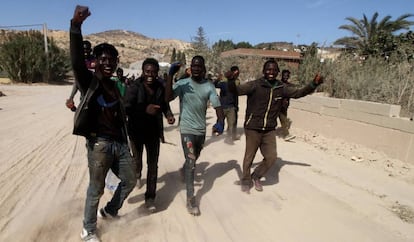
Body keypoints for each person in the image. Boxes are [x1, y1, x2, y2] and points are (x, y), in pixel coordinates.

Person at [70, 5, 137, 242]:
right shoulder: (90, 81)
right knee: (96, 188)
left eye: (112, 59)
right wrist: (75, 27)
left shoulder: (116, 86)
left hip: (119, 144)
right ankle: (88, 230)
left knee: (131, 179)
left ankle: (109, 210)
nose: (108, 63)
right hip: (99, 144)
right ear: (96, 61)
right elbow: (77, 62)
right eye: (103, 59)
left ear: (117, 62)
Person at [229, 58, 323, 193]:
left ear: (278, 72)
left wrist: (313, 84)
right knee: (249, 156)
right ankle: (245, 180)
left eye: (274, 70)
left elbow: (298, 93)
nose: (271, 72)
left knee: (271, 157)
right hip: (253, 127)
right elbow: (236, 91)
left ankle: (256, 176)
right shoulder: (255, 85)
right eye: (268, 69)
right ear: (263, 71)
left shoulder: (281, 88)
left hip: (269, 129)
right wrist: (231, 80)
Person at [165, 56, 225, 216]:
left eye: (199, 66)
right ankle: (191, 199)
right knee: (192, 163)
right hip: (186, 128)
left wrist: (221, 121)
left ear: (204, 69)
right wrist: (170, 76)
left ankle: (183, 170)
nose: (196, 68)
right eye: (194, 66)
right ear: (191, 68)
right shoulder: (183, 84)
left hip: (200, 130)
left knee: (194, 158)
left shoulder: (209, 86)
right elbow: (168, 97)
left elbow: (217, 105)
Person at [124, 57, 175, 212]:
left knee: (153, 166)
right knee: (137, 162)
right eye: (147, 71)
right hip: (136, 132)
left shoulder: (160, 86)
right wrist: (144, 109)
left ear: (157, 72)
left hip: (153, 132)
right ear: (143, 72)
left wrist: (169, 115)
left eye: (153, 71)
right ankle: (138, 175)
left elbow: (165, 103)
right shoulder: (134, 87)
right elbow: (126, 108)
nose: (150, 74)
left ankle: (150, 198)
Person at [66, 40, 95, 112]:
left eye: (87, 50)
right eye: (83, 50)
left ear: (90, 50)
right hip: (84, 91)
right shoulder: (79, 62)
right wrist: (71, 97)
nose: (85, 52)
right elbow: (77, 81)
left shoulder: (94, 60)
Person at [215, 66, 240, 143]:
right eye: (236, 72)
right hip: (222, 106)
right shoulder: (224, 83)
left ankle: (229, 138)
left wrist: (236, 105)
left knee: (232, 122)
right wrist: (218, 79)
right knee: (220, 121)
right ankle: (217, 131)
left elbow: (236, 95)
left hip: (231, 106)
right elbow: (214, 85)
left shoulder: (236, 82)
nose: (237, 73)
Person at [278, 69, 296, 141]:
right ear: (282, 75)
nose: (286, 77)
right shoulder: (278, 84)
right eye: (284, 75)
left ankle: (286, 134)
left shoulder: (289, 85)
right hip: (276, 105)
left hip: (284, 106)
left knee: (284, 120)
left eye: (287, 76)